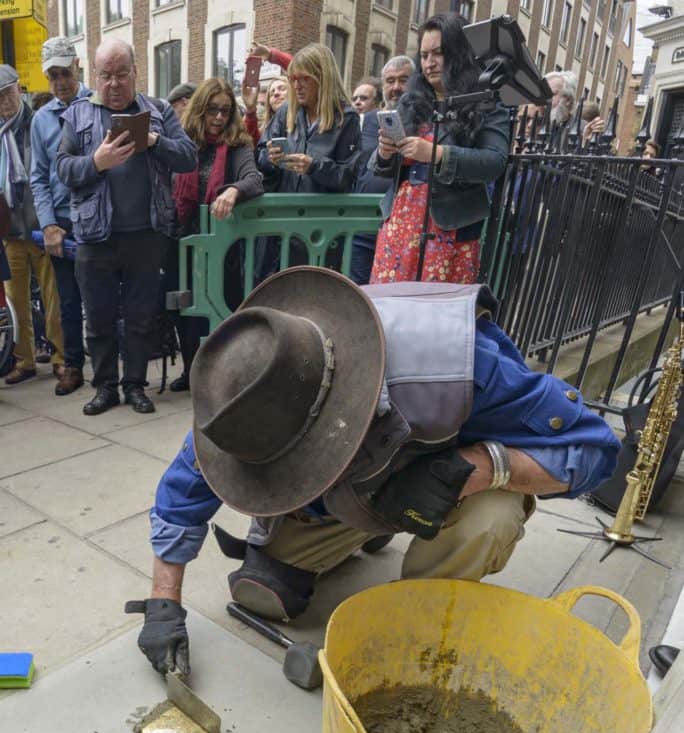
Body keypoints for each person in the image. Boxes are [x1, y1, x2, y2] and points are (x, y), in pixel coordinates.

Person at [126, 267, 621, 673]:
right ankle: (364, 532)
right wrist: (164, 602)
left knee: (489, 519)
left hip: (443, 485)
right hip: (354, 494)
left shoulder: (458, 368)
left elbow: (594, 449)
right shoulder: (249, 388)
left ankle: (417, 622)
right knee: (263, 596)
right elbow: (184, 493)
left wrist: (481, 467)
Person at [55, 39, 197, 416]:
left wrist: (153, 140)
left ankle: (135, 385)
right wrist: (96, 162)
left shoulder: (159, 111)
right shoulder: (77, 115)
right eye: (106, 75)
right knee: (98, 318)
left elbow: (187, 158)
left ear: (136, 73)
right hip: (94, 237)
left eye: (121, 74)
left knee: (140, 318)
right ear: (94, 76)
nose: (114, 84)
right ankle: (105, 388)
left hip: (146, 234)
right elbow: (63, 170)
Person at [370, 13, 509, 285]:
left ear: (458, 53)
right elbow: (383, 170)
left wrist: (437, 154)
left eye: (438, 53)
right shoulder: (410, 102)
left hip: (450, 230)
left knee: (438, 314)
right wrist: (385, 154)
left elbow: (495, 162)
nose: (429, 63)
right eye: (423, 56)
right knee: (393, 309)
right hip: (401, 223)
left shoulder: (486, 102)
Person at [169, 77, 263, 392]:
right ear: (199, 110)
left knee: (224, 310)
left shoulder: (237, 143)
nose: (219, 118)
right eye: (212, 110)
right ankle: (191, 371)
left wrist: (234, 190)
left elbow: (254, 179)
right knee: (186, 311)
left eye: (225, 111)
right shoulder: (183, 141)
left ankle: (224, 375)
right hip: (183, 242)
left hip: (222, 247)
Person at [30, 37, 92, 396]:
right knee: (68, 299)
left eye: (64, 72)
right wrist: (48, 223)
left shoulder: (99, 104)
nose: (59, 82)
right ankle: (72, 364)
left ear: (77, 66)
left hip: (98, 218)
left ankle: (106, 368)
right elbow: (38, 177)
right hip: (62, 223)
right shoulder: (41, 120)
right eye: (52, 75)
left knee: (100, 297)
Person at [0, 64, 65, 385]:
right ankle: (24, 360)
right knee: (16, 303)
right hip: (10, 229)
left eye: (8, 93)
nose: (4, 102)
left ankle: (60, 358)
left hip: (41, 226)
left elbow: (46, 175)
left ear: (19, 89)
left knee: (53, 300)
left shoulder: (36, 123)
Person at [257, 43, 360, 196]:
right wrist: (270, 158)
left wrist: (314, 167)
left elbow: (347, 176)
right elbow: (260, 155)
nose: (297, 86)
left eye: (304, 78)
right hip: (284, 208)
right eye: (293, 79)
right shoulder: (287, 110)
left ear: (323, 78)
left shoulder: (346, 117)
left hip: (320, 214)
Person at [350, 57, 413, 286]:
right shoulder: (367, 120)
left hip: (401, 225)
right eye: (390, 81)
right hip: (362, 224)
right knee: (357, 293)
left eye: (403, 80)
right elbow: (362, 164)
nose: (396, 87)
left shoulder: (423, 120)